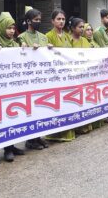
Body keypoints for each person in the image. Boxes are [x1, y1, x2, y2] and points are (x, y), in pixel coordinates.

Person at [0, 12, 26, 162]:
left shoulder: (15, 43)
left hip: (14, 86)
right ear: (1, 28)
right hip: (0, 87)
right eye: (8, 28)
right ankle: (6, 149)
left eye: (13, 28)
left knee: (14, 117)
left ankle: (12, 146)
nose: (12, 31)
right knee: (4, 118)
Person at [18, 8, 52, 149]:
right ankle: (30, 140)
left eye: (39, 19)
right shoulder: (22, 37)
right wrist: (26, 48)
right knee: (30, 110)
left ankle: (38, 137)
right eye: (35, 20)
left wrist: (50, 48)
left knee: (41, 108)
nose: (38, 22)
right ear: (28, 21)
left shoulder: (43, 37)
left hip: (42, 79)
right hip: (28, 80)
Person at [45, 9, 76, 142]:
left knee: (68, 103)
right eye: (58, 19)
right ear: (52, 21)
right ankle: (54, 134)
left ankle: (67, 132)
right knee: (56, 105)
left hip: (68, 75)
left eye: (63, 19)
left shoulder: (68, 36)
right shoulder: (47, 36)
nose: (61, 21)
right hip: (55, 77)